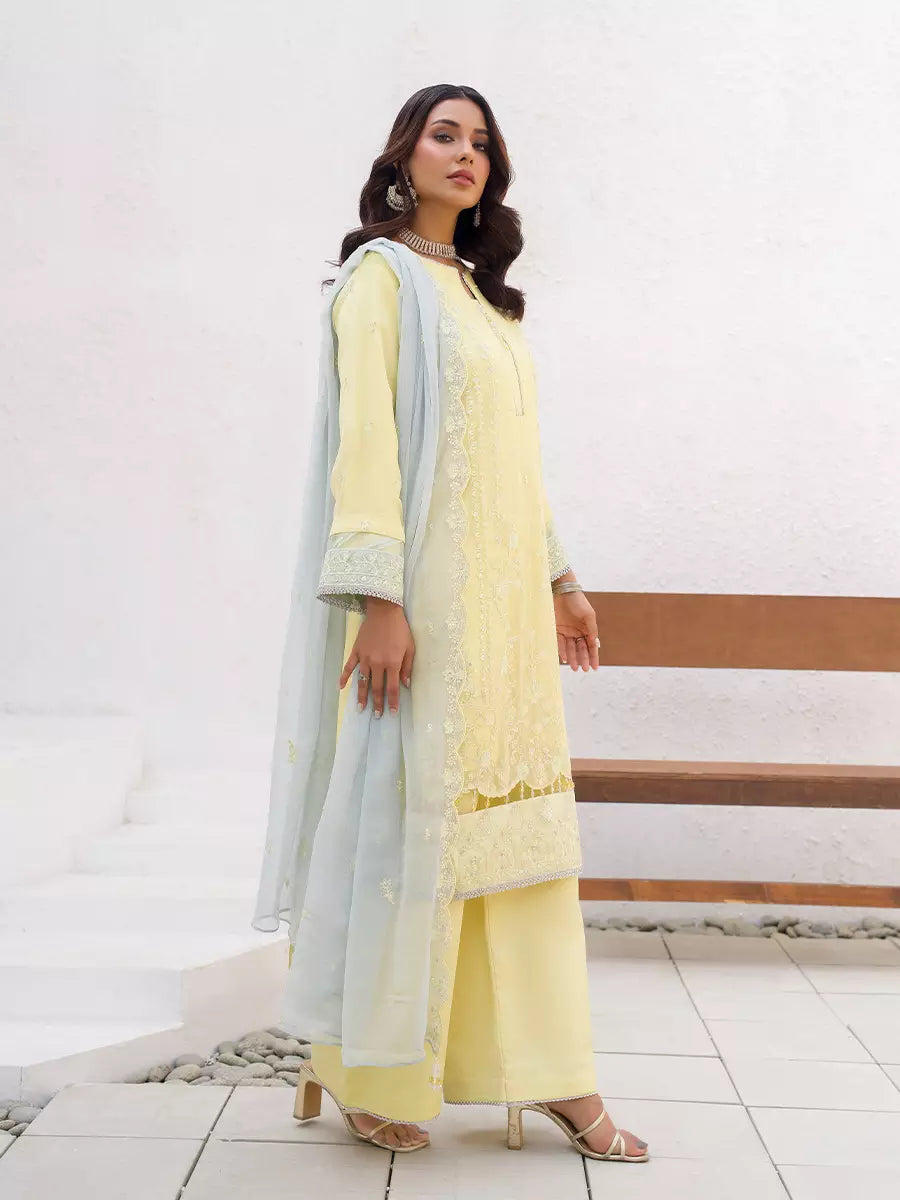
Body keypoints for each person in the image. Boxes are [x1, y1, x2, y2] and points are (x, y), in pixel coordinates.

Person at [253, 82, 649, 1163]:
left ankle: (552, 1072)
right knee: (411, 832)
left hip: (505, 620)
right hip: (424, 611)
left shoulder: (479, 295)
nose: (466, 154)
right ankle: (365, 1067)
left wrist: (562, 577)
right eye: (445, 135)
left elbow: (515, 456)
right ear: (405, 156)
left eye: (481, 142)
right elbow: (367, 448)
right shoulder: (379, 281)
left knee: (518, 836)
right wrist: (378, 604)